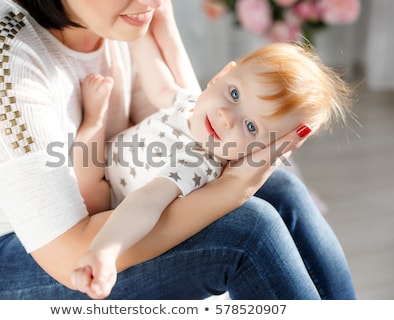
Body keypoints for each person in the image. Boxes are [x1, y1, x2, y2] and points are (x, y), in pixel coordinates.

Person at [0, 0, 356, 300]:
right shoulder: (0, 48)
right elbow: (70, 255)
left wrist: (162, 22)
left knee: (281, 189)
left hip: (100, 203)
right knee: (250, 229)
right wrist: (233, 191)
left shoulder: (119, 18)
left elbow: (188, 124)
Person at [71, 39, 354, 299]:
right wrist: (141, 32)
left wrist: (104, 251)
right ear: (221, 76)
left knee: (89, 180)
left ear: (258, 154)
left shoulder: (197, 163)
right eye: (234, 94)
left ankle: (94, 121)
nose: (226, 117)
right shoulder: (193, 106)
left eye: (251, 126)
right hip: (114, 155)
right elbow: (159, 84)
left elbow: (146, 203)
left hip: (106, 204)